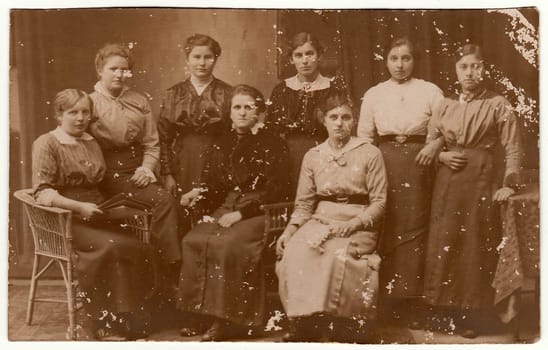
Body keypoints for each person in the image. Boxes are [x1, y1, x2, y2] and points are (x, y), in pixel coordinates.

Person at [31, 89, 157, 340]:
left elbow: (102, 184)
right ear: (59, 115)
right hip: (66, 219)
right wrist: (79, 208)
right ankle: (101, 324)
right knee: (112, 247)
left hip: (98, 212)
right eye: (72, 112)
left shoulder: (90, 141)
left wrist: (119, 205)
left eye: (85, 112)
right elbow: (43, 193)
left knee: (140, 246)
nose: (80, 118)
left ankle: (131, 318)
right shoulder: (47, 143)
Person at [176, 85, 289, 341]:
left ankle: (226, 320)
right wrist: (199, 194)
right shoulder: (223, 140)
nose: (241, 112)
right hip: (227, 205)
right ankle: (200, 315)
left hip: (260, 211)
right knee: (193, 240)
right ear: (230, 111)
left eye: (248, 107)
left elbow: (278, 189)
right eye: (236, 107)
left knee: (227, 245)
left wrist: (242, 214)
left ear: (258, 111)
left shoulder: (273, 141)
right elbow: (216, 186)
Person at [423, 44, 522, 338]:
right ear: (456, 71)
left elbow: (513, 147)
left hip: (480, 179)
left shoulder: (498, 104)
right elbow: (433, 141)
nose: (470, 72)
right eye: (464, 66)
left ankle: (472, 316)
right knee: (445, 242)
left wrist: (508, 184)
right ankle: (443, 313)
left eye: (476, 66)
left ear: (484, 69)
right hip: (447, 181)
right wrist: (441, 156)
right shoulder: (445, 105)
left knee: (473, 245)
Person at [276, 93, 387, 342]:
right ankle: (307, 324)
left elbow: (379, 203)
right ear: (323, 120)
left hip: (358, 221)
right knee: (295, 251)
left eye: (346, 117)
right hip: (321, 219)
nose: (339, 123)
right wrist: (289, 230)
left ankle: (343, 325)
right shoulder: (313, 155)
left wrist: (353, 224)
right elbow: (304, 204)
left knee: (335, 255)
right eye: (333, 117)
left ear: (354, 120)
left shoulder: (369, 153)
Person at [357, 36, 445, 328]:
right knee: (387, 224)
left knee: (417, 227)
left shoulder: (430, 91)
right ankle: (387, 300)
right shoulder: (374, 94)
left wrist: (435, 146)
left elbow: (449, 127)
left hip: (420, 162)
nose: (400, 64)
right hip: (384, 162)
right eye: (394, 58)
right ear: (386, 61)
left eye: (406, 58)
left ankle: (416, 300)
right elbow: (365, 137)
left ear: (414, 60)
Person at [88, 43, 181, 298]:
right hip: (107, 174)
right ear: (100, 70)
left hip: (138, 170)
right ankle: (167, 273)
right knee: (163, 202)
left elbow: (152, 143)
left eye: (125, 70)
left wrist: (147, 168)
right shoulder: (90, 103)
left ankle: (166, 274)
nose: (119, 75)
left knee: (168, 203)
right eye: (113, 69)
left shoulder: (138, 101)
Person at [266, 31, 348, 195]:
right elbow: (271, 131)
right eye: (299, 55)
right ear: (291, 59)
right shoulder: (281, 90)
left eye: (310, 54)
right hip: (288, 156)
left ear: (319, 56)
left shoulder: (333, 89)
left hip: (323, 154)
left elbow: (342, 129)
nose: (305, 60)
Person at [158, 34, 233, 198]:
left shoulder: (228, 92)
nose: (202, 63)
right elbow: (164, 138)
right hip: (183, 161)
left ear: (216, 59)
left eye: (208, 57)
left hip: (217, 160)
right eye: (196, 57)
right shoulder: (173, 93)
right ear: (187, 59)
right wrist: (167, 174)